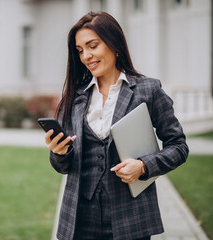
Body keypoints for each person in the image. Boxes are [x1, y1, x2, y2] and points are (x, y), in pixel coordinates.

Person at [44, 11, 189, 240]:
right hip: (80, 219)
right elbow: (62, 166)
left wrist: (143, 166)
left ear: (114, 43)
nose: (86, 56)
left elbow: (179, 146)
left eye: (92, 46)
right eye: (80, 50)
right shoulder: (74, 97)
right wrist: (59, 152)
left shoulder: (147, 90)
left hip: (131, 219)